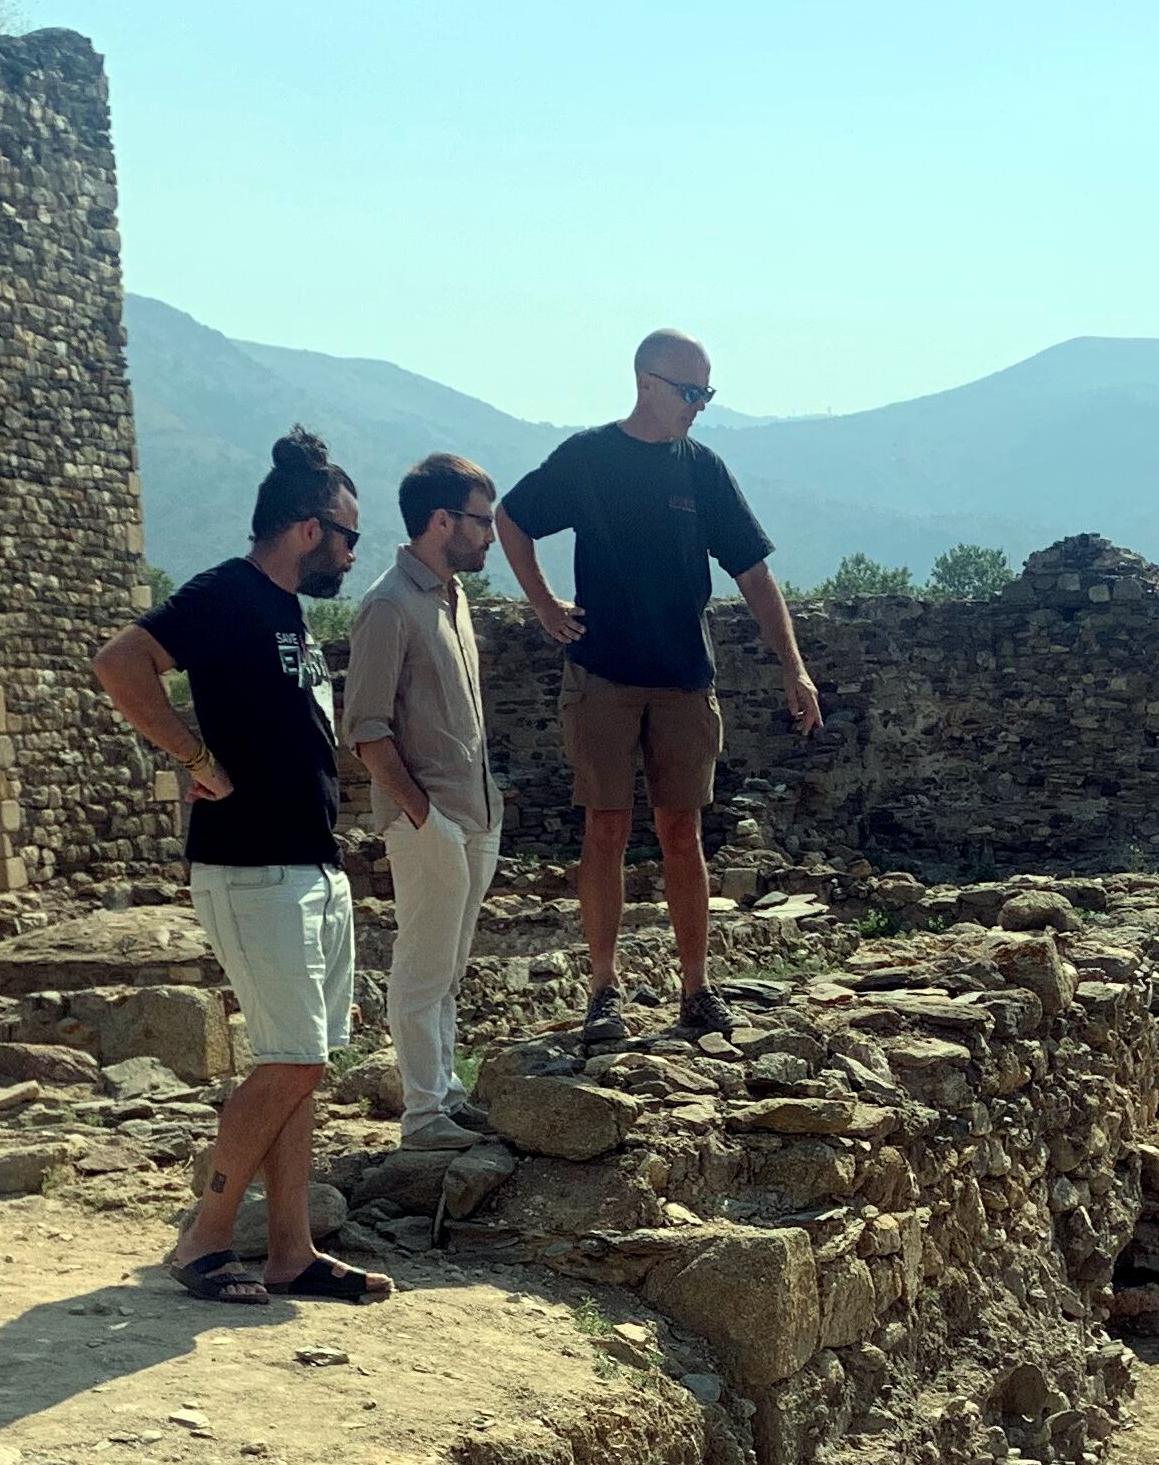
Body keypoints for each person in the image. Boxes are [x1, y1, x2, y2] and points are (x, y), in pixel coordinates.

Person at [89, 427, 393, 1308]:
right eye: (347, 536)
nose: (349, 553)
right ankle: (206, 1235)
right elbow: (120, 662)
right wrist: (191, 755)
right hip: (253, 865)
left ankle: (290, 1251)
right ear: (306, 529)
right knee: (293, 1059)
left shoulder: (288, 608)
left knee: (301, 1059)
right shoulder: (226, 593)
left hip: (308, 864)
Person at [496, 328, 819, 1044]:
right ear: (646, 382)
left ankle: (697, 988)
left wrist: (793, 666)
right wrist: (544, 605)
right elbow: (511, 519)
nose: (700, 406)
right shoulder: (587, 459)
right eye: (690, 392)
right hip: (603, 673)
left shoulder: (704, 470)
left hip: (683, 678)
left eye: (708, 393)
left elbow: (754, 575)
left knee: (683, 832)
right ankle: (604, 989)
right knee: (605, 828)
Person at [343, 452, 503, 1144]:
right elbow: (365, 731)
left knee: (449, 964)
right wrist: (423, 816)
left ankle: (446, 1091)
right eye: (481, 521)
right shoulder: (388, 604)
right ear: (442, 521)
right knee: (421, 963)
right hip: (429, 818)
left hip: (475, 813)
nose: (491, 535)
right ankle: (423, 1113)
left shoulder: (452, 596)